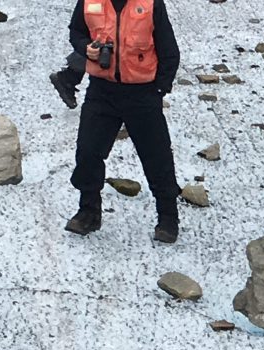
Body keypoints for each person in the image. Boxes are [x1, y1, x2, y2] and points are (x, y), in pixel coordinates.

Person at [64, 0, 181, 243]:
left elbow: (169, 50)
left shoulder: (150, 4)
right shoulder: (89, 1)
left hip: (142, 93)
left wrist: (160, 88)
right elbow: (76, 31)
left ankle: (168, 218)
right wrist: (86, 48)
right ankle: (88, 211)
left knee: (156, 157)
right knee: (87, 152)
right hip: (101, 91)